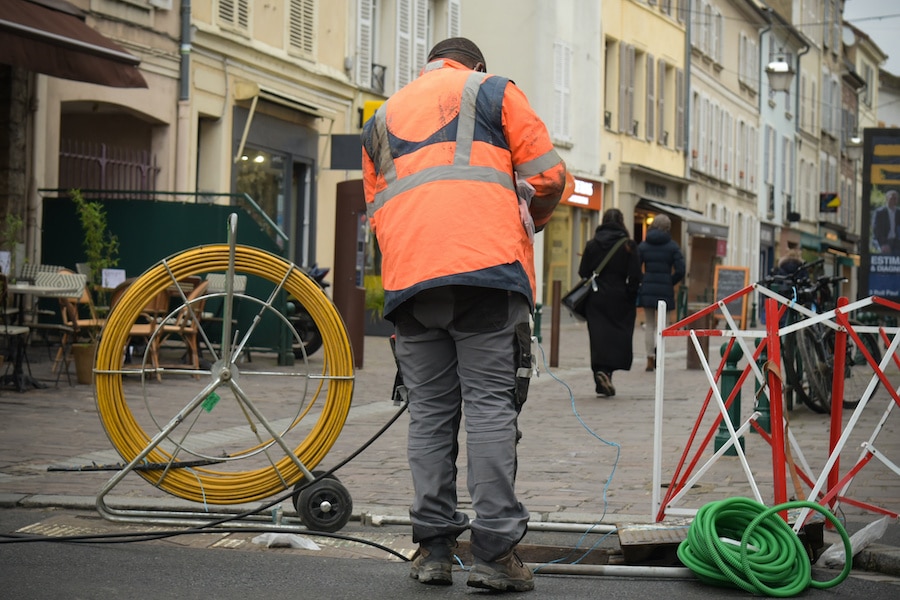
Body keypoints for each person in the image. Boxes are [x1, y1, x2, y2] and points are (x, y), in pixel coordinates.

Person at [361, 37, 566, 592]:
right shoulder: (493, 91)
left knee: (428, 413)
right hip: (486, 273)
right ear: (476, 65)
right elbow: (549, 178)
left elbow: (377, 206)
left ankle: (433, 550)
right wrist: (530, 221)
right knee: (490, 409)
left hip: (411, 284)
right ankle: (495, 554)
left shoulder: (381, 118)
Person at [578, 208, 642, 395]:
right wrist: (631, 295)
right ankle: (607, 373)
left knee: (598, 337)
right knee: (616, 338)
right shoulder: (628, 245)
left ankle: (599, 373)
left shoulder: (592, 244)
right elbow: (636, 274)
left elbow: (583, 272)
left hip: (596, 297)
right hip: (620, 297)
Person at [636, 214, 685, 372]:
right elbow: (681, 269)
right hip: (665, 289)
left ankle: (650, 358)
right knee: (663, 326)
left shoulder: (644, 245)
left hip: (648, 288)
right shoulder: (672, 246)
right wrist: (670, 281)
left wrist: (644, 279)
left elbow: (635, 267)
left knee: (649, 324)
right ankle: (660, 356)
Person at [873, 189, 900, 255]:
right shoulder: (880, 212)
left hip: (897, 242)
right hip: (884, 241)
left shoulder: (899, 212)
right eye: (891, 198)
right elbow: (876, 230)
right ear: (887, 199)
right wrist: (883, 244)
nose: (893, 201)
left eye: (895, 199)